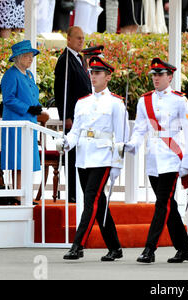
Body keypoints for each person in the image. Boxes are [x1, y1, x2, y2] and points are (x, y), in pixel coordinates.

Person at [121, 58, 188, 264]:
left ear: (170, 77)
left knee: (162, 204)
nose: (156, 78)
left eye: (160, 74)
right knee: (168, 204)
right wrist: (132, 144)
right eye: (154, 75)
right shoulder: (145, 100)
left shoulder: (180, 100)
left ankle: (149, 248)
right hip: (153, 158)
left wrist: (187, 161)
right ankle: (185, 248)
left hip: (173, 157)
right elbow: (141, 128)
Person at [58, 56, 128, 261]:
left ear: (107, 77)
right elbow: (76, 132)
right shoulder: (82, 103)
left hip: (103, 157)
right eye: (92, 72)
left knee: (90, 200)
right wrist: (66, 142)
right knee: (99, 203)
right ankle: (115, 247)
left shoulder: (116, 104)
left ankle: (78, 245)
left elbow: (121, 138)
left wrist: (117, 164)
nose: (93, 76)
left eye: (98, 73)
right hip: (84, 157)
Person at [54, 26, 92, 203]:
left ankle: (79, 191)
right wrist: (66, 116)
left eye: (83, 38)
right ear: (68, 39)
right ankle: (72, 193)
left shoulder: (79, 58)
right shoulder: (65, 60)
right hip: (73, 117)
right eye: (78, 38)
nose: (81, 41)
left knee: (82, 155)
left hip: (84, 116)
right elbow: (61, 91)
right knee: (72, 155)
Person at [0, 40, 42, 198]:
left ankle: (26, 194)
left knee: (28, 159)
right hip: (16, 123)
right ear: (17, 58)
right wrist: (27, 108)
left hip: (29, 122)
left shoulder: (29, 74)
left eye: (31, 56)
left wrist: (36, 106)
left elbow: (32, 95)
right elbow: (9, 99)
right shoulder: (11, 75)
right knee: (18, 160)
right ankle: (18, 195)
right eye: (26, 56)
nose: (30, 59)